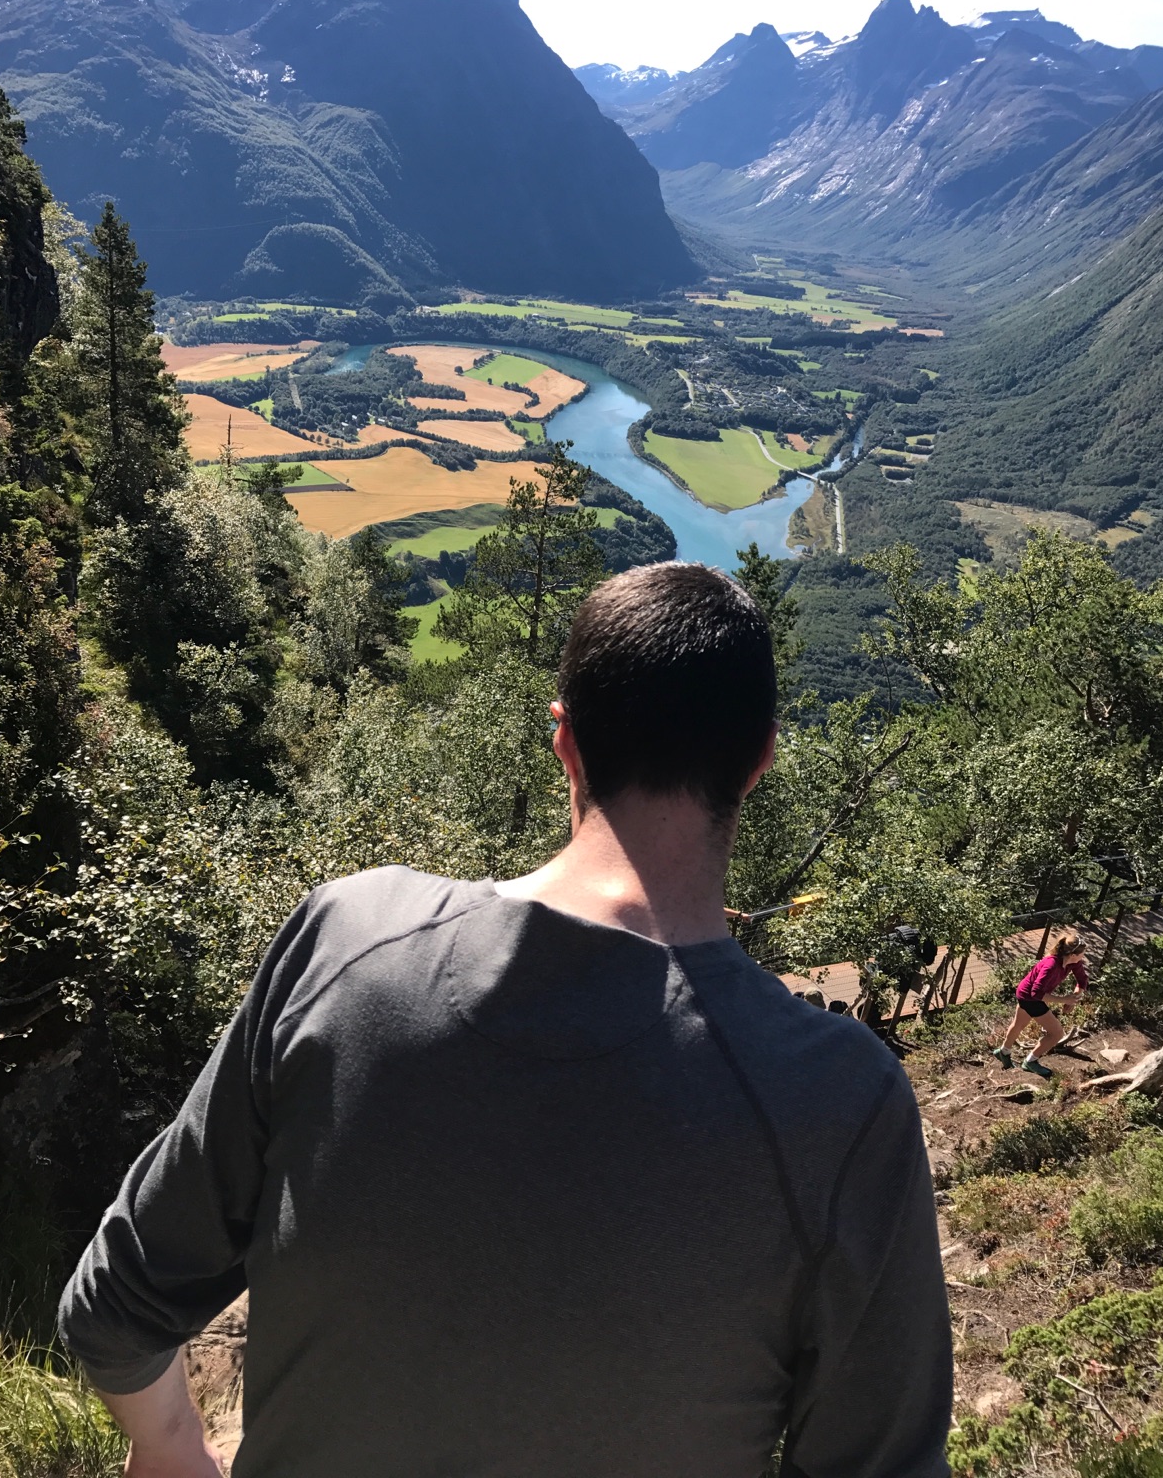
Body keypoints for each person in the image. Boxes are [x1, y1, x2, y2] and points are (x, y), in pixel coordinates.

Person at [59, 562, 953, 1478]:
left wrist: (172, 1447)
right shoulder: (840, 1104)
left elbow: (113, 1309)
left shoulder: (344, 944)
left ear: (565, 740)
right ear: (760, 759)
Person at [993, 934, 1090, 1078]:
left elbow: (1082, 980)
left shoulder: (1073, 962)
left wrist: (1074, 999)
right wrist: (1064, 999)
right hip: (1030, 998)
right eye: (1082, 954)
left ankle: (1003, 1052)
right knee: (1056, 1033)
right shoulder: (1051, 965)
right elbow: (1036, 994)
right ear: (1073, 954)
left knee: (1018, 1024)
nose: (1083, 956)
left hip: (1027, 994)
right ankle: (1030, 1061)